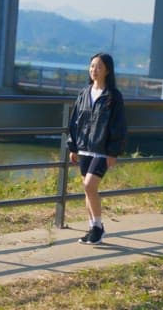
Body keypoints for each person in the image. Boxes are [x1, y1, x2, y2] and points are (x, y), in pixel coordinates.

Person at [67, 52, 127, 245]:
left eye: (99, 67)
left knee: (89, 186)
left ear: (107, 70)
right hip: (84, 148)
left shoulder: (113, 96)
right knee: (88, 190)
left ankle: (99, 227)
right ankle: (93, 227)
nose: (94, 70)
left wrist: (113, 152)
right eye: (92, 66)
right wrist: (73, 146)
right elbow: (75, 122)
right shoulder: (84, 93)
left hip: (102, 150)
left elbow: (119, 126)